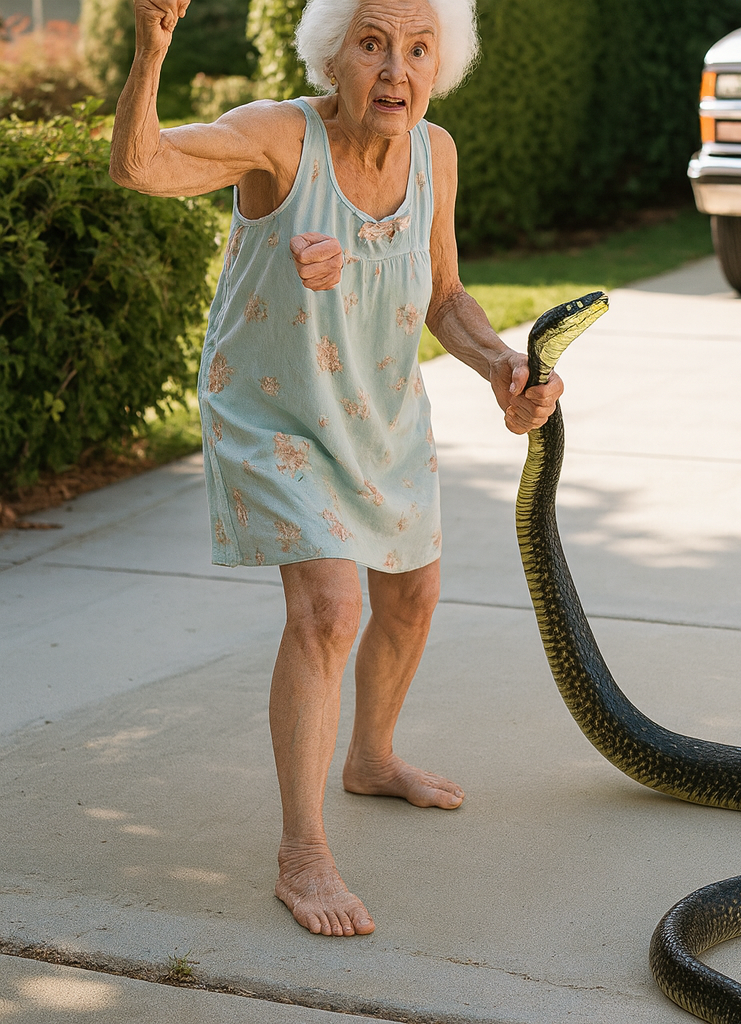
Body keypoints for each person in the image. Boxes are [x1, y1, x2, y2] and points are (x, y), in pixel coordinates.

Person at [109, 0, 562, 938]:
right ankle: (302, 851)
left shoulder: (433, 152)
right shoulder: (280, 137)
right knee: (330, 611)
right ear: (333, 55)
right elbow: (141, 164)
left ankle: (373, 758)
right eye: (372, 43)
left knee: (413, 597)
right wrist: (151, 52)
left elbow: (444, 293)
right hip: (274, 410)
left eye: (418, 48)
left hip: (378, 406)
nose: (396, 68)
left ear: (442, 65)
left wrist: (502, 366)